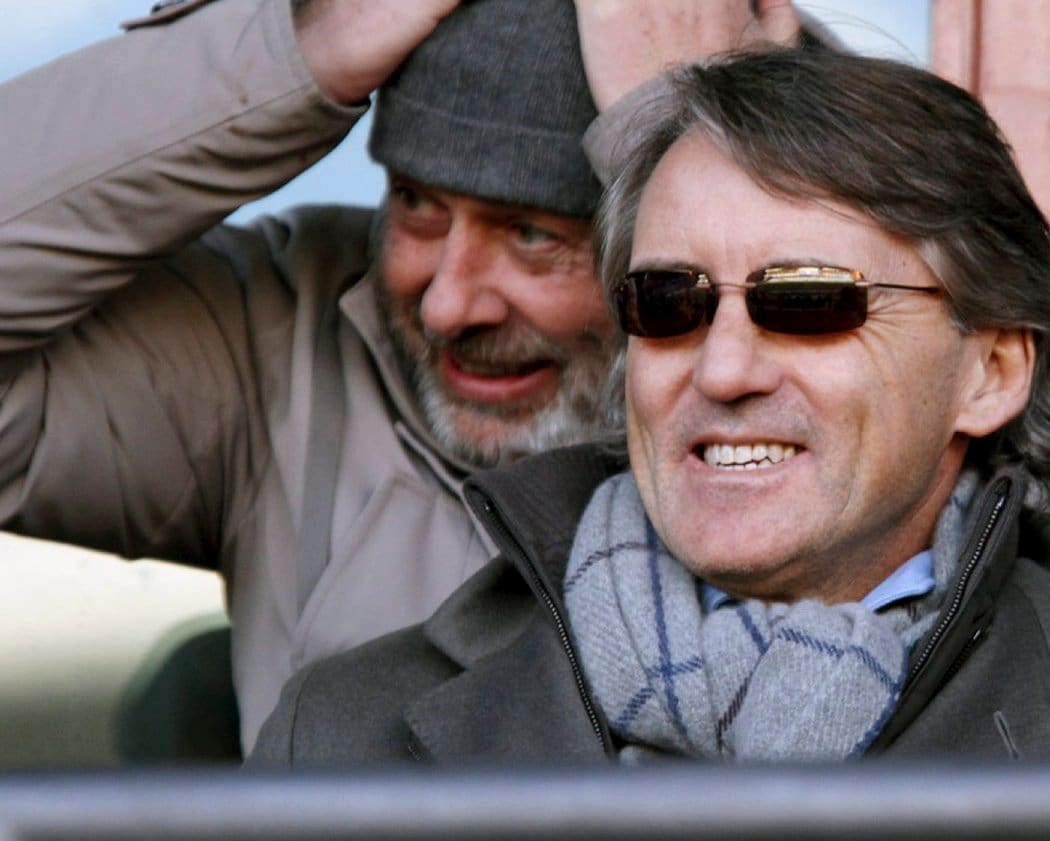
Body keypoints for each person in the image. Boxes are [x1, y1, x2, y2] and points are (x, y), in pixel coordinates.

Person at [249, 48, 1050, 766]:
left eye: (807, 301)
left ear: (992, 372)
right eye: (668, 302)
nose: (721, 369)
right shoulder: (339, 736)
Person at [0, 0, 804, 751]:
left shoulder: (846, 406)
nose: (448, 305)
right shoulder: (284, 340)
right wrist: (301, 55)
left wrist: (691, 137)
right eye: (417, 203)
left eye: (531, 233)